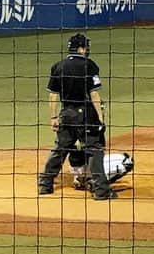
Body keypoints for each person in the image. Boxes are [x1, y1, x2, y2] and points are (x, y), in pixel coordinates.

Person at [37, 33, 118, 200]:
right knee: (94, 150)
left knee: (60, 149)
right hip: (85, 115)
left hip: (66, 114)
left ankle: (45, 184)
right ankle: (101, 190)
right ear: (81, 48)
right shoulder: (89, 65)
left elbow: (53, 95)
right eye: (86, 47)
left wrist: (53, 117)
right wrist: (100, 118)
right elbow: (93, 94)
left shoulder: (58, 66)